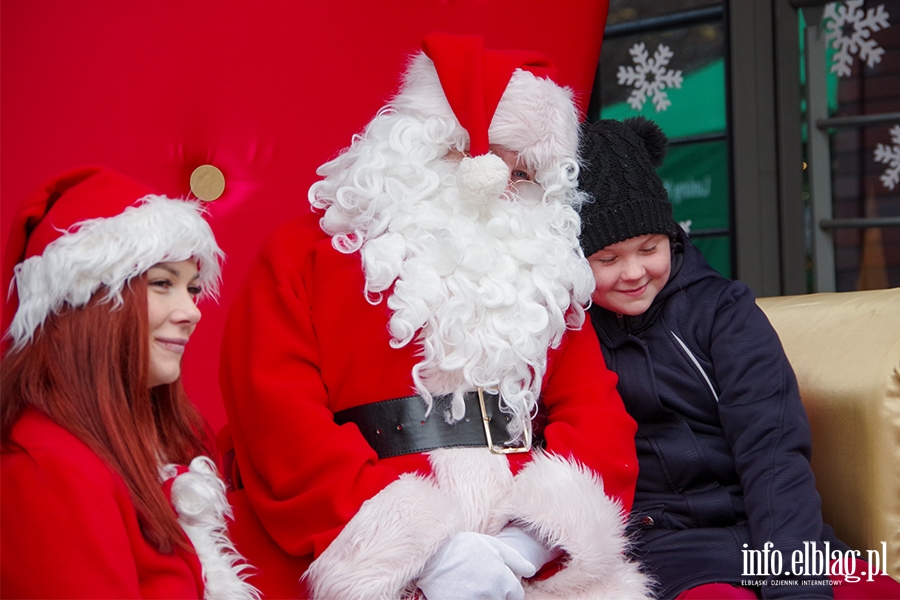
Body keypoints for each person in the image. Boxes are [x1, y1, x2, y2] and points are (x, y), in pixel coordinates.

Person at [218, 32, 650, 599]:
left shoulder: (542, 275)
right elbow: (276, 415)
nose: (501, 187)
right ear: (427, 146)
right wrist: (427, 551)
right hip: (362, 539)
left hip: (520, 551)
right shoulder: (305, 253)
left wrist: (526, 545)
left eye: (525, 177)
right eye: (489, 160)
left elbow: (596, 413)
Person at [577, 117, 900, 599]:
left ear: (672, 238)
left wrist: (795, 583)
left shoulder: (723, 313)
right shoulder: (569, 335)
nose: (634, 272)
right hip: (666, 544)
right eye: (607, 259)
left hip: (772, 526)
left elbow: (772, 451)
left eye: (650, 248)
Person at [0, 166, 259, 600]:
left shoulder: (170, 443)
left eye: (193, 289)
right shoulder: (45, 468)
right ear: (91, 302)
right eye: (162, 284)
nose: (192, 311)